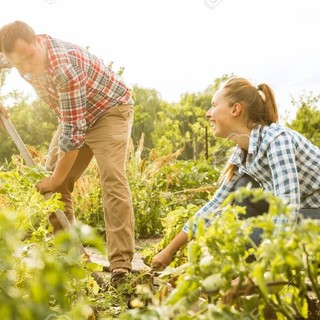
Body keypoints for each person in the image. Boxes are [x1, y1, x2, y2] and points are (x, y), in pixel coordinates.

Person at [0, 21, 135, 284]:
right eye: (20, 64)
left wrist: (55, 178)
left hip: (110, 110)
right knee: (53, 186)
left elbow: (73, 136)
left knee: (111, 179)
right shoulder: (15, 57)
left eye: (29, 57)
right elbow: (71, 125)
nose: (28, 67)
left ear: (38, 40)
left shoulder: (64, 68)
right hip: (71, 114)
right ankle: (71, 257)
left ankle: (120, 266)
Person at [152, 76, 320, 269]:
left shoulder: (276, 141)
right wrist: (169, 251)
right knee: (241, 192)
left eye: (214, 105)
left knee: (251, 235)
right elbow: (215, 205)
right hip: (303, 215)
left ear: (235, 109)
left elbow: (287, 210)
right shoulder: (242, 155)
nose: (208, 113)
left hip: (312, 217)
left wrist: (257, 273)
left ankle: (274, 273)